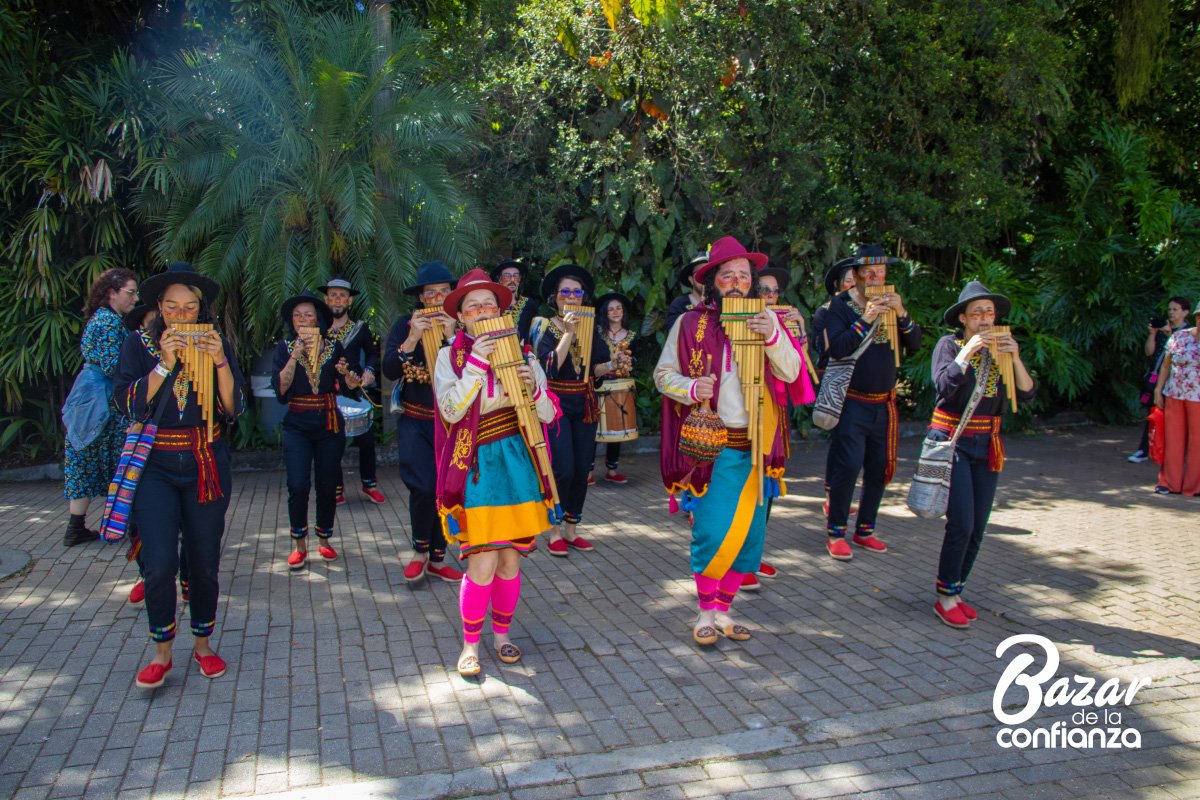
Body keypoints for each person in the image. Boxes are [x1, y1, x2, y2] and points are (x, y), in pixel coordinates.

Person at [655, 236, 800, 646]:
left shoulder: (768, 320)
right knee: (713, 532)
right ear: (711, 282)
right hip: (711, 446)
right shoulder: (689, 323)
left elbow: (791, 373)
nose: (737, 282)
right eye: (727, 275)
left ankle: (723, 611)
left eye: (744, 275)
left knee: (750, 539)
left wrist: (773, 337)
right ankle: (704, 613)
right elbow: (662, 375)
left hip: (757, 446)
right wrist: (690, 387)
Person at [113, 262, 247, 688]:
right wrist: (165, 364)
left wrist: (219, 361)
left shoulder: (214, 341)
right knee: (159, 564)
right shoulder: (138, 345)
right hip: (155, 466)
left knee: (204, 563)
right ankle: (162, 652)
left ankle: (203, 645)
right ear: (159, 306)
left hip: (206, 461)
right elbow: (127, 403)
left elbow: (232, 408)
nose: (181, 315)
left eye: (190, 307)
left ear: (200, 309)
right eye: (172, 307)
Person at [433, 268, 558, 677]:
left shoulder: (524, 354)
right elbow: (450, 411)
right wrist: (475, 364)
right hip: (475, 466)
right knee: (481, 563)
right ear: (461, 317)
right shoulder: (449, 357)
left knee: (509, 563)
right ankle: (470, 645)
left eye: (489, 304)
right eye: (473, 306)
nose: (483, 311)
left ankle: (502, 635)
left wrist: (533, 387)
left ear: (501, 311)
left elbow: (548, 414)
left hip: (518, 464)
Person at [929, 282, 1035, 628]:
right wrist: (968, 352)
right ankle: (945, 596)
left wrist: (1015, 357)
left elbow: (1027, 392)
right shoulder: (949, 345)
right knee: (961, 522)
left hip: (988, 445)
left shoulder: (1002, 348)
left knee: (978, 526)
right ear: (963, 318)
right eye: (977, 312)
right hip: (955, 441)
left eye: (990, 312)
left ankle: (956, 590)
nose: (986, 318)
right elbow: (943, 387)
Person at [823, 244, 922, 560]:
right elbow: (838, 349)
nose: (876, 278)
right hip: (852, 402)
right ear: (856, 276)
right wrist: (866, 318)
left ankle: (865, 529)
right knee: (848, 466)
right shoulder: (839, 306)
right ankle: (836, 532)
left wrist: (902, 313)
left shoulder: (892, 304)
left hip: (884, 403)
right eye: (869, 273)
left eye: (881, 272)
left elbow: (915, 344)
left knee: (879, 469)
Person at [382, 261, 464, 583]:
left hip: (451, 423)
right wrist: (413, 339)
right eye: (431, 293)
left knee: (446, 488)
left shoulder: (462, 325)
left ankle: (438, 559)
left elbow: (469, 372)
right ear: (421, 298)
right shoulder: (405, 325)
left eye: (444, 292)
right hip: (416, 419)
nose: (438, 298)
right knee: (423, 486)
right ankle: (420, 551)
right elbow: (390, 370)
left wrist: (450, 337)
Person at [272, 291, 362, 570]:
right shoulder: (284, 347)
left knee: (327, 484)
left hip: (328, 423)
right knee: (298, 485)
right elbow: (281, 389)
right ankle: (299, 544)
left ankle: (324, 538)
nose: (302, 319)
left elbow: (347, 385)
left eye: (308, 314)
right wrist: (294, 356)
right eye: (297, 315)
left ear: (318, 319)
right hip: (297, 425)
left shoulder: (334, 347)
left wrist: (349, 379)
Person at [532, 264, 615, 555]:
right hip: (555, 405)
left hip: (584, 403)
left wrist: (614, 364)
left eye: (577, 293)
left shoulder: (591, 327)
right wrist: (568, 334)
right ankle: (553, 530)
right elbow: (549, 367)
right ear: (554, 297)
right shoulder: (543, 326)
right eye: (565, 292)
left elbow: (595, 369)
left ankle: (571, 529)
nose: (571, 297)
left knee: (581, 469)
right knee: (562, 469)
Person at [744, 265, 817, 590]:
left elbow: (799, 367)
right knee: (743, 485)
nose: (771, 297)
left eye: (774, 291)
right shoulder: (741, 318)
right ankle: (737, 557)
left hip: (773, 410)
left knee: (767, 485)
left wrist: (799, 330)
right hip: (743, 411)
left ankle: (753, 554)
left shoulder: (783, 319)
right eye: (764, 290)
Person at [62, 268, 140, 547]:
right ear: (112, 293)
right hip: (101, 399)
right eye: (130, 292)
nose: (135, 298)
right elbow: (113, 367)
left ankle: (76, 528)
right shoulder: (107, 322)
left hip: (92, 396)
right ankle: (132, 525)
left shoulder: (105, 319)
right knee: (121, 457)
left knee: (84, 459)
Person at [122, 305, 189, 609]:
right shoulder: (135, 345)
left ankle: (188, 576)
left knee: (194, 525)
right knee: (144, 522)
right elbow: (125, 397)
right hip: (145, 446)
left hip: (189, 448)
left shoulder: (198, 342)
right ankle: (149, 574)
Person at [321, 276, 386, 505]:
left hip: (355, 390)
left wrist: (369, 370)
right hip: (327, 391)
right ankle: (336, 488)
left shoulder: (360, 328)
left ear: (349, 301)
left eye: (342, 296)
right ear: (326, 299)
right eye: (333, 295)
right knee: (332, 442)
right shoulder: (318, 330)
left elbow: (372, 354)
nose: (337, 300)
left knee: (366, 439)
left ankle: (369, 484)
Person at [813, 258, 858, 517]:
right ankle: (832, 496)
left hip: (863, 386)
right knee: (841, 441)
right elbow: (826, 349)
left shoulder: (872, 309)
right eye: (849, 281)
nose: (854, 285)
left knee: (850, 448)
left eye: (857, 280)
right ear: (838, 285)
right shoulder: (827, 311)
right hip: (838, 384)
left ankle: (839, 497)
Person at [1130, 297, 1190, 462]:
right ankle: (1144, 450)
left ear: (1185, 312)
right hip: (1155, 378)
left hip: (1177, 383)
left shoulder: (1189, 333)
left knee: (1175, 419)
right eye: (1169, 309)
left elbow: (1183, 357)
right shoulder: (1163, 329)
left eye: (1175, 309)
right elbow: (1149, 352)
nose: (1171, 312)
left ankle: (1172, 453)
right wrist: (1153, 334)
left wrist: (1171, 337)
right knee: (1153, 414)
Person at [1153, 305, 1200, 496]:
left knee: (1197, 441)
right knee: (1173, 439)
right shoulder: (1180, 336)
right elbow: (1166, 366)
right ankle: (1169, 482)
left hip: (1198, 398)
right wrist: (1158, 389)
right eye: (1199, 316)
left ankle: (1195, 485)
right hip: (1174, 394)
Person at [591, 291, 637, 484]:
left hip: (620, 385)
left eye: (619, 308)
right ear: (605, 312)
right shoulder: (597, 333)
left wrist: (630, 361)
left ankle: (612, 470)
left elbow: (636, 358)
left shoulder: (632, 335)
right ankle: (587, 472)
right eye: (611, 309)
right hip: (599, 383)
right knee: (593, 430)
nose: (616, 312)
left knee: (617, 428)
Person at [490, 258, 540, 343]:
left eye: (515, 275)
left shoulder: (529, 304)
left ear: (519, 279)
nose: (512, 280)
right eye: (507, 275)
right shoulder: (492, 305)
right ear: (499, 279)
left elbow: (535, 334)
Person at [664, 253, 709, 334]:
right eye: (699, 273)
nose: (704, 277)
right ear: (691, 280)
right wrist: (701, 307)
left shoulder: (719, 303)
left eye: (708, 273)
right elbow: (674, 334)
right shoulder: (679, 304)